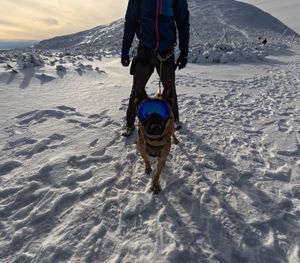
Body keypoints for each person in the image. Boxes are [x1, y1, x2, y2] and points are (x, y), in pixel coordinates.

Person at [121, 0, 190, 136]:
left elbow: (182, 21)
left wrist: (184, 52)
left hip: (167, 52)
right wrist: (125, 50)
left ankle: (174, 120)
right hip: (145, 51)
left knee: (170, 90)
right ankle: (130, 124)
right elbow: (130, 21)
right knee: (137, 90)